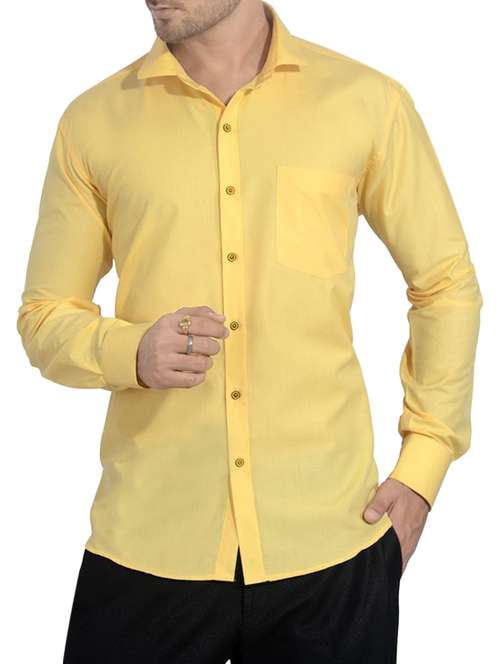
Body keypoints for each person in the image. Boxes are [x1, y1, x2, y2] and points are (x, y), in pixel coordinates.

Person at [17, 1, 482, 662]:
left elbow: (445, 285)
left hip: (330, 545)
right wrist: (131, 352)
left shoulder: (365, 102)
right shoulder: (94, 121)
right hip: (151, 542)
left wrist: (422, 470)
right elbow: (44, 314)